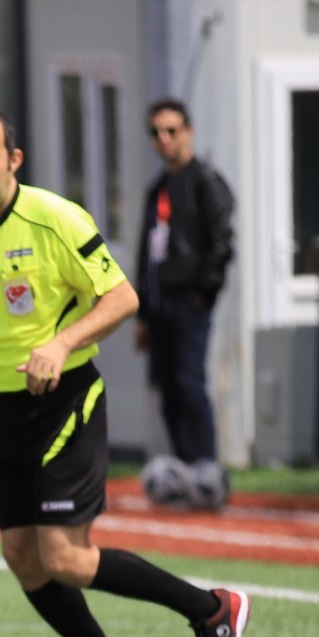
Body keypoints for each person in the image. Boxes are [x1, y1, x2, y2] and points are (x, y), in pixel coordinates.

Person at [0, 107, 248, 637]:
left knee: (64, 556)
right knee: (22, 556)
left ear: (14, 159)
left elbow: (122, 298)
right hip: (4, 413)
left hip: (65, 403)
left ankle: (211, 609)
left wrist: (60, 345)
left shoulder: (54, 218)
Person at [136, 98, 236, 466]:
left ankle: (205, 466)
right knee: (168, 390)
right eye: (156, 132)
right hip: (161, 306)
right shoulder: (158, 187)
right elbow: (147, 253)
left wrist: (203, 293)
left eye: (171, 131)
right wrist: (143, 312)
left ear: (188, 132)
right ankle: (184, 466)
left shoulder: (205, 181)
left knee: (190, 384)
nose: (164, 139)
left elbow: (222, 242)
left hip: (189, 302)